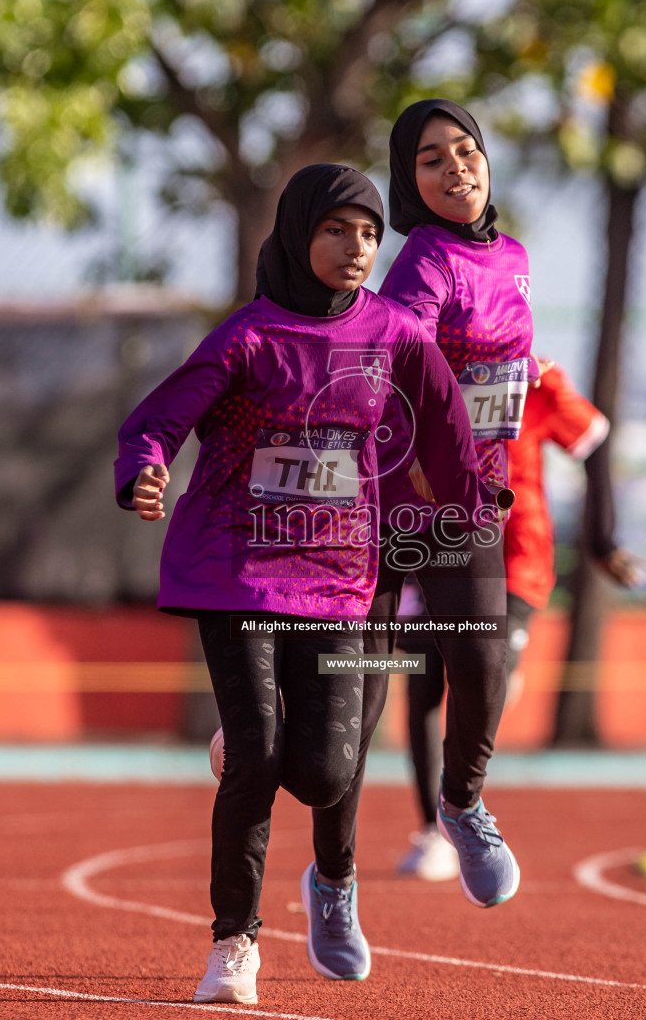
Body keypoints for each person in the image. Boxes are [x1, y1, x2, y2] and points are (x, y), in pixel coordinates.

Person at [116, 164, 491, 1005]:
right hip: (237, 568)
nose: (357, 247)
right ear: (297, 234)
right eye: (336, 231)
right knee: (258, 759)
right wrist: (145, 470)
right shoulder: (248, 338)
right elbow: (158, 421)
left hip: (338, 578)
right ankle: (234, 946)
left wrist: (465, 518)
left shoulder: (395, 332)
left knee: (324, 773)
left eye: (368, 233)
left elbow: (444, 433)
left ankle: (255, 742)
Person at [309, 98, 534, 918]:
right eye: (431, 160)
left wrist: (517, 378)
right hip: (392, 502)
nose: (456, 167)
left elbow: (490, 356)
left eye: (465, 149)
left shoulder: (511, 256)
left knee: (482, 661)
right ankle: (334, 880)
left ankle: (463, 805)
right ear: (411, 182)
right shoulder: (422, 263)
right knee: (360, 705)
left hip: (469, 501)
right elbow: (396, 363)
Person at [398, 361, 643, 881]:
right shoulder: (418, 364)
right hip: (433, 546)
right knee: (422, 687)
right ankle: (431, 830)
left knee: (484, 672)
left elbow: (593, 438)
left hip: (516, 559)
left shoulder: (534, 377)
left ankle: (462, 800)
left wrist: (601, 539)